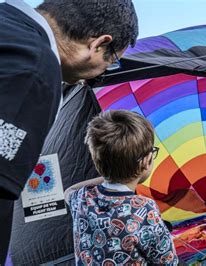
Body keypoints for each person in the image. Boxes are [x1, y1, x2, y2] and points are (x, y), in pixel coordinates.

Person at [0, 0, 139, 263]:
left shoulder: (8, 28)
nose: (94, 78)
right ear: (98, 44)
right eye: (110, 63)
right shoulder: (35, 68)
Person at [64, 110, 179, 265]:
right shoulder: (145, 209)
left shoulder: (81, 198)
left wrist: (108, 174)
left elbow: (68, 191)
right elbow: (168, 262)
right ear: (145, 162)